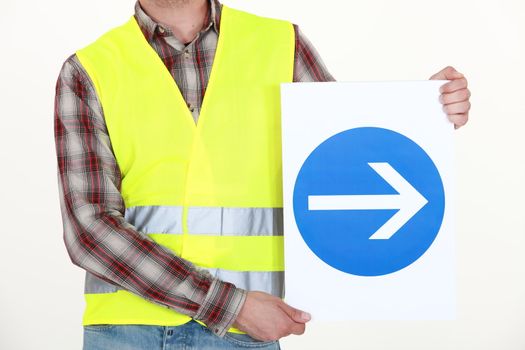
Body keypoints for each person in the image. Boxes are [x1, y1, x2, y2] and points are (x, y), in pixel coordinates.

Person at [53, 0, 471, 349]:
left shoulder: (281, 45)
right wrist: (228, 306)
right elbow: (88, 230)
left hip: (245, 336)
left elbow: (345, 156)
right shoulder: (89, 69)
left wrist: (423, 113)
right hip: (131, 333)